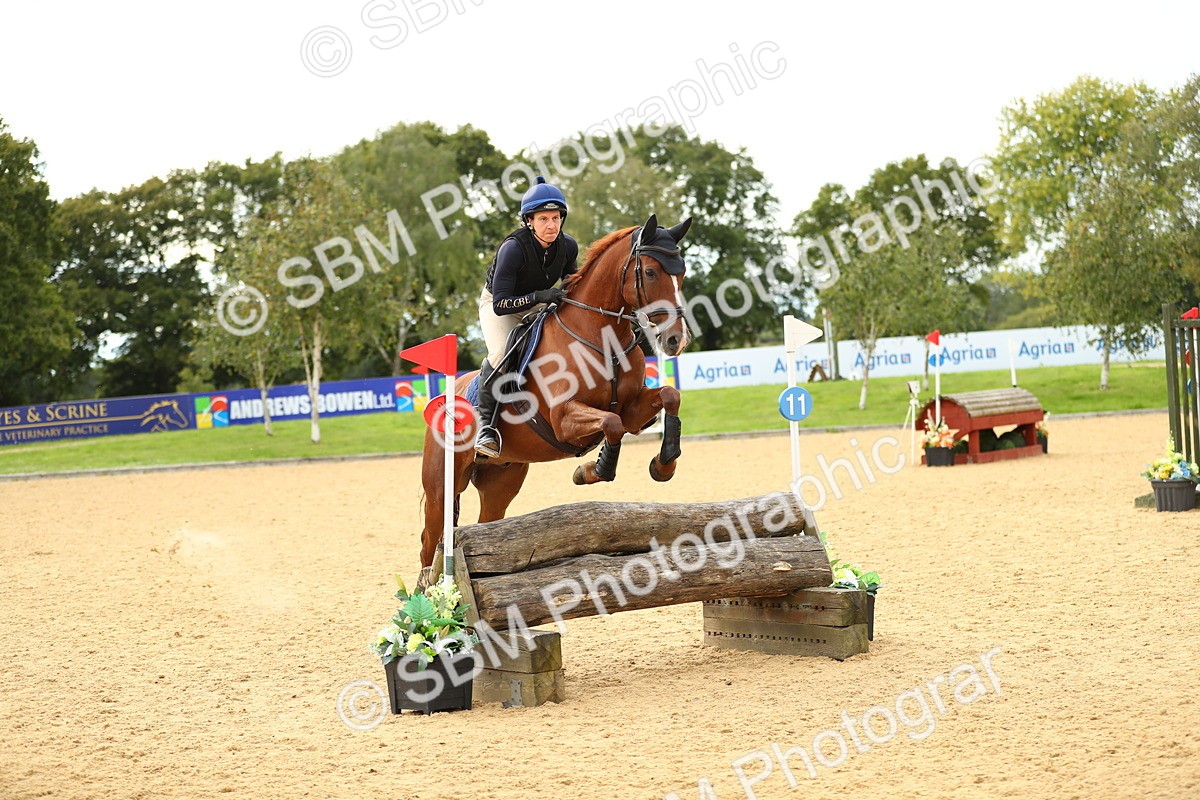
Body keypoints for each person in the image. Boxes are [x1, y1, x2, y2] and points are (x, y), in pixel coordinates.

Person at [474, 176, 579, 459]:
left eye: (556, 218)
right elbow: (501, 304)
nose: (551, 225)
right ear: (529, 221)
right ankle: (486, 428)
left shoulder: (568, 247)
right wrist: (539, 297)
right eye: (543, 219)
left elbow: (573, 285)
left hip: (539, 301)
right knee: (500, 353)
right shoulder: (513, 249)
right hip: (499, 304)